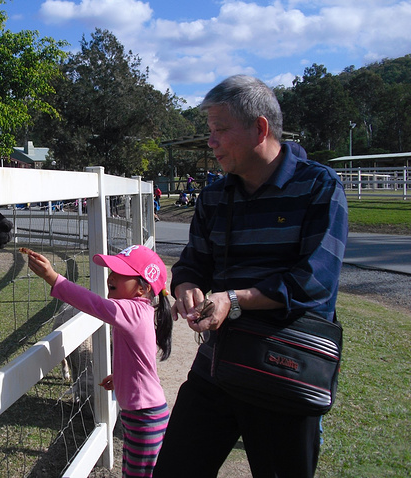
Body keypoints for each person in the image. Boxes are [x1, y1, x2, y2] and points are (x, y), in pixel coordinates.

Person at [152, 75, 348, 478]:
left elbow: (314, 280)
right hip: (216, 367)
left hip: (285, 372)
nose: (211, 142)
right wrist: (186, 285)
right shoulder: (214, 196)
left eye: (221, 130)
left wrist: (233, 300)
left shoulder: (319, 187)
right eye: (209, 131)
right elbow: (193, 262)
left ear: (260, 129)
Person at [25, 245, 174, 477]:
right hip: (143, 412)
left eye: (120, 273)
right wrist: (121, 377)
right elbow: (143, 360)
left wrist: (53, 278)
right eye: (111, 270)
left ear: (142, 288)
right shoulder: (142, 311)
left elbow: (94, 305)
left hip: (144, 416)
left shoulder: (132, 310)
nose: (111, 276)